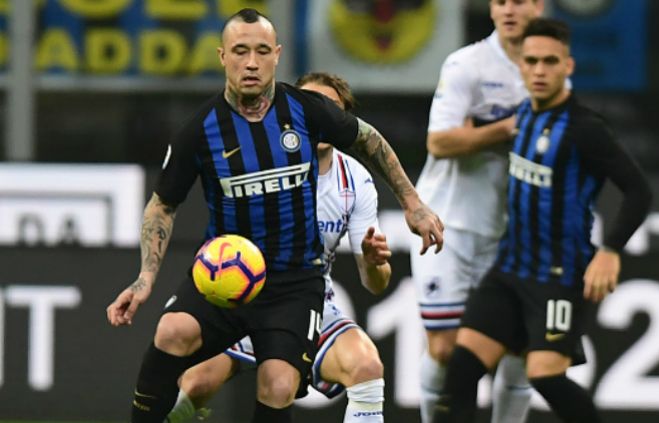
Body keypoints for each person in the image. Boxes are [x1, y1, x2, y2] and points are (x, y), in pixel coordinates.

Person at [106, 9, 443, 423]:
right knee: (171, 333)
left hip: (293, 283)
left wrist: (413, 202)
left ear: (277, 55)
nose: (251, 62)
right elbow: (162, 205)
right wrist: (144, 280)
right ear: (222, 56)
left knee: (279, 385)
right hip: (224, 276)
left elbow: (367, 139)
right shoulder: (200, 130)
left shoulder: (305, 110)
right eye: (240, 51)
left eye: (262, 51)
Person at [433, 18, 653, 423]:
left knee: (545, 376)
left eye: (549, 61)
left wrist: (610, 252)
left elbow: (639, 191)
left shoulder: (586, 129)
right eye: (530, 60)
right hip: (509, 269)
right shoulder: (523, 116)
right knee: (459, 371)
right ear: (520, 65)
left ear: (567, 66)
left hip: (559, 275)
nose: (538, 70)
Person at [166, 72, 391, 423]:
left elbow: (374, 283)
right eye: (308, 104)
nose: (319, 115)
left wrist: (375, 262)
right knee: (194, 384)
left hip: (303, 302)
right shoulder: (255, 159)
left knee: (366, 367)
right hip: (242, 297)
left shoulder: (356, 181)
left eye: (329, 108)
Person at [411, 1, 544, 422]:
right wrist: (506, 128)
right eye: (500, 1)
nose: (509, 9)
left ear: (539, 6)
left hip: (511, 233)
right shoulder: (466, 65)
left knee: (520, 348)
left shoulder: (546, 70)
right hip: (450, 224)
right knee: (446, 349)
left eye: (520, 1)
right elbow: (439, 141)